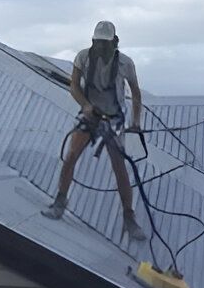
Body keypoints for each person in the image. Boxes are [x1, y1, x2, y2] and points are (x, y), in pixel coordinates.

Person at [42, 21, 147, 241]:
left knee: (119, 166)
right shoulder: (83, 57)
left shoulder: (125, 64)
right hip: (90, 114)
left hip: (114, 118)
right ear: (93, 42)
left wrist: (136, 122)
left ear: (114, 43)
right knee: (71, 156)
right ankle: (60, 202)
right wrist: (86, 105)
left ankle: (129, 218)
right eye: (97, 43)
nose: (101, 48)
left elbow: (135, 93)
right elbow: (74, 86)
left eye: (105, 44)